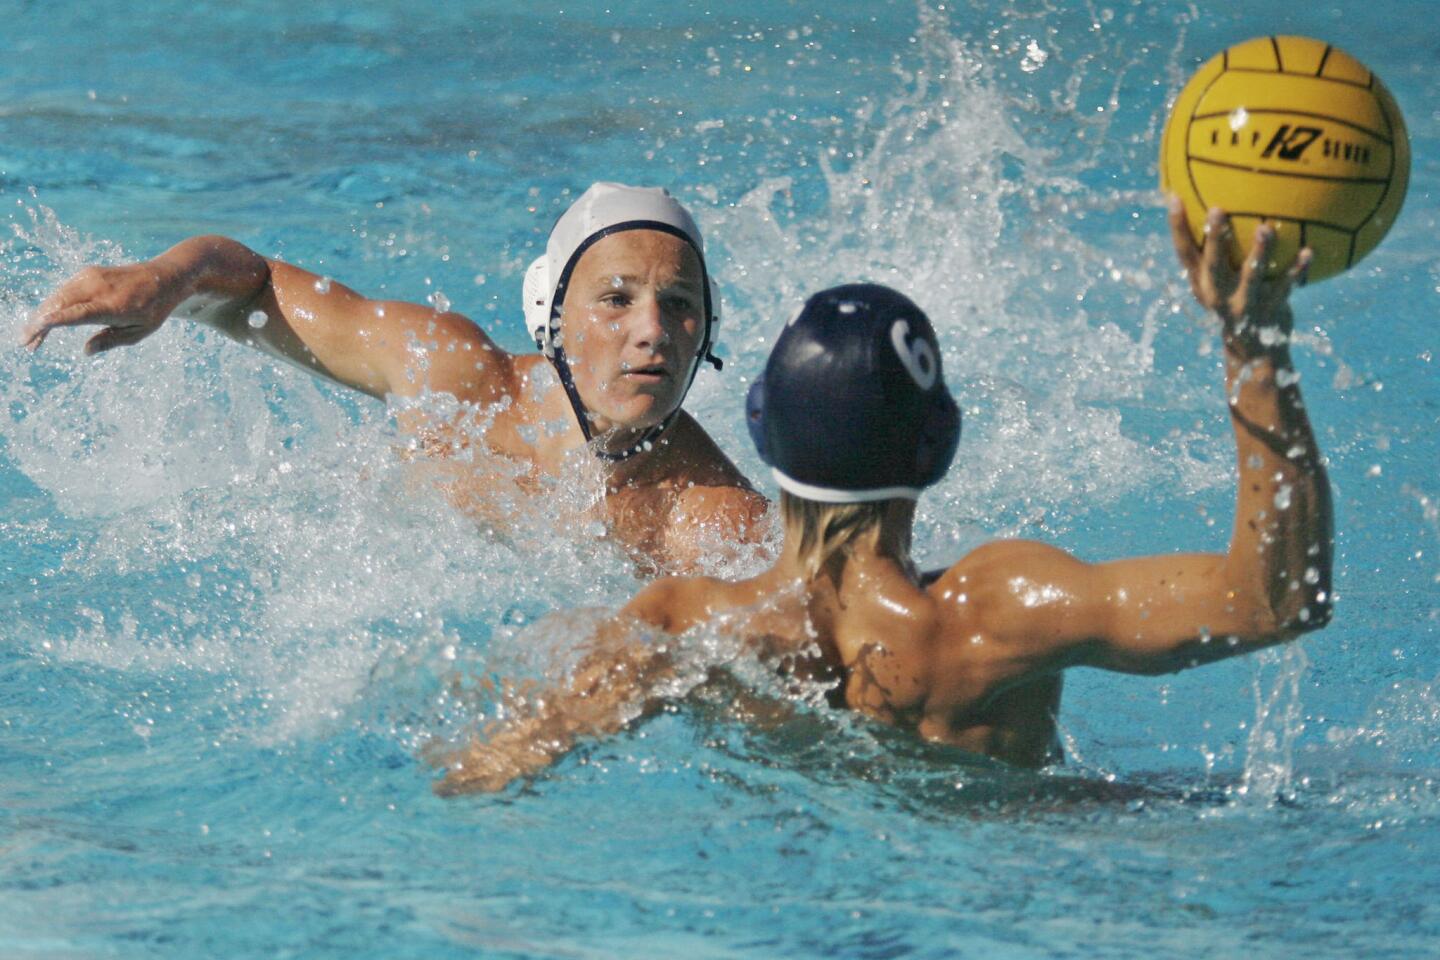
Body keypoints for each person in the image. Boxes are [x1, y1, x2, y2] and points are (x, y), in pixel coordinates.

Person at [433, 201, 1334, 795]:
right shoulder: (1000, 613)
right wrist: (1255, 349)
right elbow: (1278, 601)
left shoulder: (692, 625)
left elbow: (495, 766)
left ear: (759, 430)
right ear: (938, 444)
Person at [20, 183, 769, 573]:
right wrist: (162, 280)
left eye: (680, 305)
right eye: (616, 299)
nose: (652, 331)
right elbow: (251, 283)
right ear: (552, 314)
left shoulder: (712, 520)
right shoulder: (454, 372)